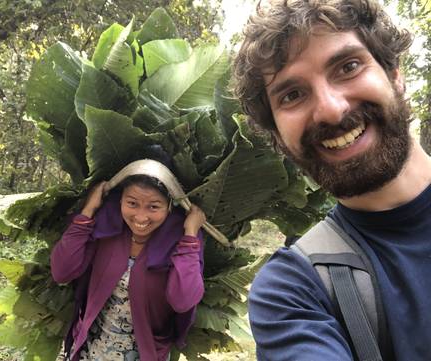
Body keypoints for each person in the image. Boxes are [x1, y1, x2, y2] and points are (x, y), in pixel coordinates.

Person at [233, 0, 431, 360]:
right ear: (277, 135)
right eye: (292, 95)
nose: (330, 109)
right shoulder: (292, 291)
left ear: (395, 73)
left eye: (348, 67)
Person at [50, 161, 206, 361]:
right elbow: (61, 271)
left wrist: (191, 233)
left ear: (169, 206)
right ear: (120, 200)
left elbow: (183, 301)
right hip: (90, 350)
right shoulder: (107, 227)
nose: (141, 217)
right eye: (132, 203)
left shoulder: (179, 243)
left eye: (153, 206)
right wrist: (88, 209)